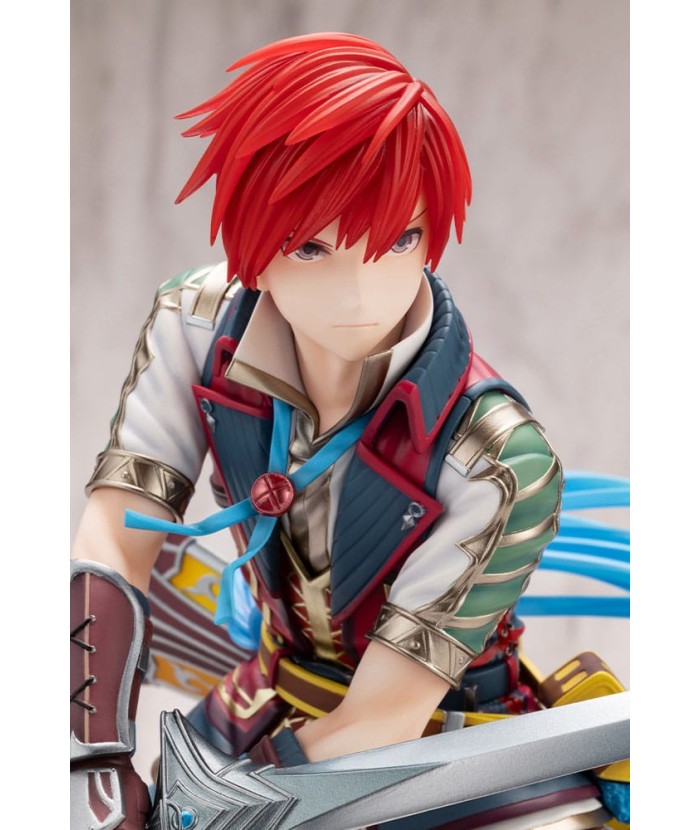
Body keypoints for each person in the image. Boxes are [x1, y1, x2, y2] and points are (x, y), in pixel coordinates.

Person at [71, 32, 615, 830]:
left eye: (399, 239)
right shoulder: (197, 324)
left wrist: (205, 809)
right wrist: (91, 760)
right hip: (267, 688)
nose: (361, 292)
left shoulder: (497, 458)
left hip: (447, 740)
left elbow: (384, 717)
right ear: (254, 245)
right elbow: (113, 543)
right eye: (312, 247)